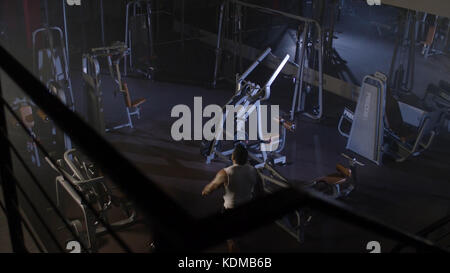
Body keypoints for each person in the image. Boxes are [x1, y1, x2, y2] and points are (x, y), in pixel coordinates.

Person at [202, 144, 264, 252]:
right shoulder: (254, 172)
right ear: (246, 158)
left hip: (230, 211)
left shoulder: (225, 173)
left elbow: (209, 189)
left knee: (231, 242)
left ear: (232, 157)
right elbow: (260, 192)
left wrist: (205, 191)